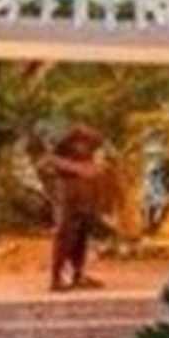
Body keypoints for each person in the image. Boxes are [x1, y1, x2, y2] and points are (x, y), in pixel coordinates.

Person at [32, 123, 114, 292]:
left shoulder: (94, 144)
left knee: (82, 234)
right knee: (65, 234)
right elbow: (44, 162)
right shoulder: (60, 142)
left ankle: (78, 274)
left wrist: (95, 173)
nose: (82, 147)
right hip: (68, 195)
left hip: (86, 195)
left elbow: (99, 166)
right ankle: (56, 278)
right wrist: (76, 169)